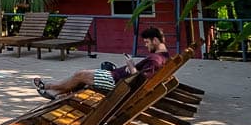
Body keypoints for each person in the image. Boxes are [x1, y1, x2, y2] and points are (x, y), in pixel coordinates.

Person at [33, 27, 169, 100]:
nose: (146, 45)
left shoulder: (155, 60)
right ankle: (55, 93)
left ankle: (49, 86)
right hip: (116, 77)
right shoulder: (163, 57)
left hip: (115, 82)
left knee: (80, 75)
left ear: (155, 40)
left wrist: (131, 65)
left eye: (147, 42)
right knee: (81, 77)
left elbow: (140, 82)